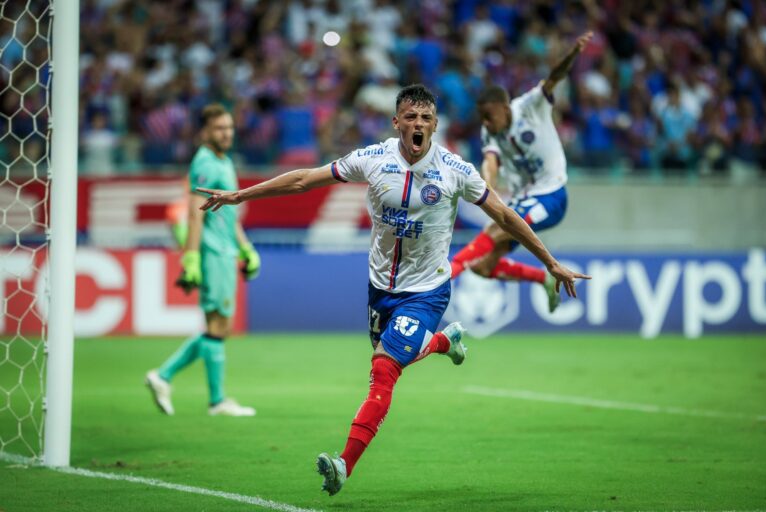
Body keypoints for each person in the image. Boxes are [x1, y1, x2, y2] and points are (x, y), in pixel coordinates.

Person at [198, 85, 590, 494]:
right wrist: (241, 195)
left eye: (425, 118)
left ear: (435, 125)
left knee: (383, 371)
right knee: (388, 359)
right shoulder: (372, 159)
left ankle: (343, 464)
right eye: (410, 117)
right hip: (380, 288)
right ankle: (442, 343)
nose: (418, 125)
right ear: (396, 122)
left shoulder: (456, 170)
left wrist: (549, 262)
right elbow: (303, 180)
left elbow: (506, 216)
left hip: (428, 291)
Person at [450, 32, 594, 313]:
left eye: (490, 117)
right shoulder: (490, 131)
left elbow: (554, 77)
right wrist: (487, 187)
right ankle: (541, 278)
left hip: (551, 196)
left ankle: (446, 273)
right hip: (521, 201)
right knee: (483, 266)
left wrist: (572, 54)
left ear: (505, 109)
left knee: (495, 230)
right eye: (482, 118)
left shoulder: (530, 106)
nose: (486, 123)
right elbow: (490, 162)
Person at [145, 103, 262, 417]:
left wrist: (245, 248)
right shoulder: (205, 162)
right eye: (219, 128)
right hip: (212, 253)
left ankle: (165, 377)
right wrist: (192, 258)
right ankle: (214, 400)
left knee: (217, 326)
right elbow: (194, 216)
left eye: (229, 128)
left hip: (224, 251)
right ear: (205, 131)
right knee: (217, 325)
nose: (226, 133)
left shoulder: (223, 162)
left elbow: (229, 215)